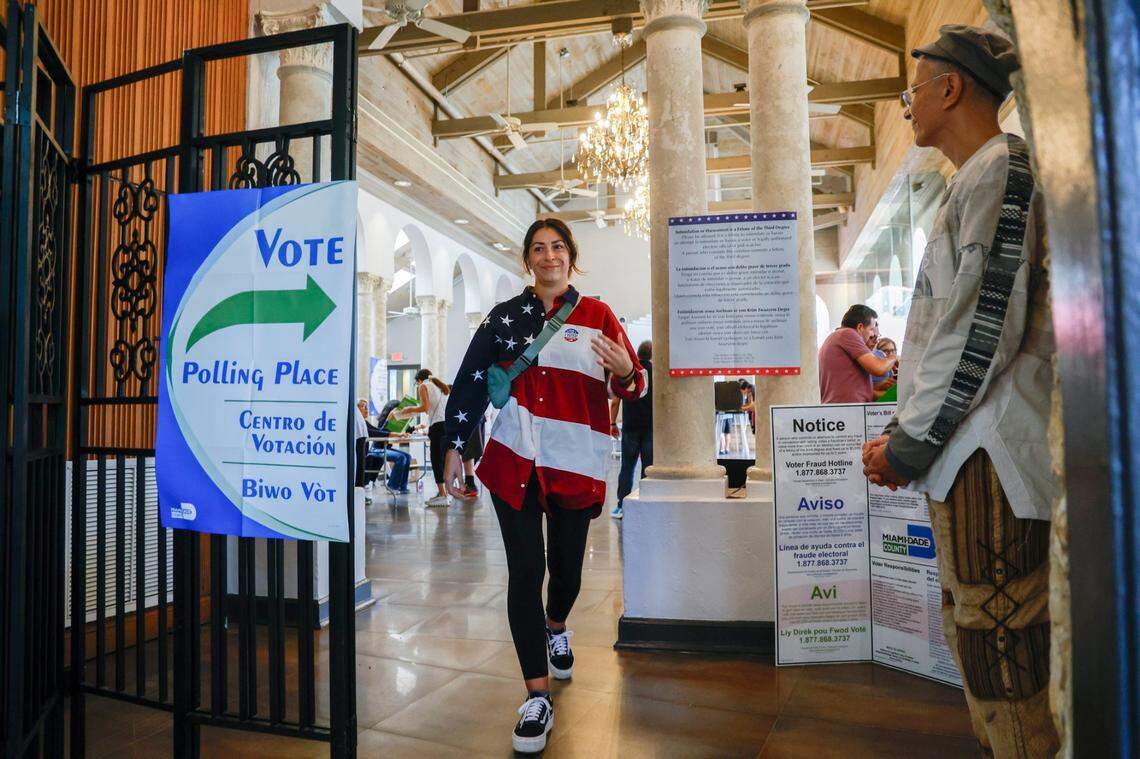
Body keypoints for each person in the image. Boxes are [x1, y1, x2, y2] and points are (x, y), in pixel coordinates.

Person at [861, 25, 1058, 758]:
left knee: (1003, 641)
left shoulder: (1004, 167)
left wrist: (911, 440)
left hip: (994, 455)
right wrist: (909, 432)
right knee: (979, 636)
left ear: (950, 86)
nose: (908, 104)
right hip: (968, 452)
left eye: (914, 88)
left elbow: (982, 325)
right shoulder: (972, 178)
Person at [440, 218, 646, 754]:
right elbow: (468, 382)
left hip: (575, 461)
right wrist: (456, 447)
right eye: (539, 248)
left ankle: (557, 625)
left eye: (558, 247)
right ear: (527, 259)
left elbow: (634, 384)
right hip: (515, 461)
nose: (549, 255)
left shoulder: (599, 316)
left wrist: (627, 370)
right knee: (525, 571)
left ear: (570, 256)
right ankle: (536, 695)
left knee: (568, 572)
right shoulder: (505, 318)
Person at [818, 304, 898, 403]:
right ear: (860, 327)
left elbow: (851, 391)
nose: (873, 334)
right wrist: (893, 357)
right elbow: (878, 368)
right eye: (871, 329)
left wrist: (879, 387)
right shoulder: (847, 334)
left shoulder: (837, 337)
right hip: (846, 412)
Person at [393, 368, 450, 507]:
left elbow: (425, 407)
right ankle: (444, 493)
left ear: (418, 380)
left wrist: (409, 410)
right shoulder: (440, 386)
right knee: (442, 460)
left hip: (437, 427)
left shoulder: (423, 386)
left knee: (436, 461)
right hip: (446, 426)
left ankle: (442, 495)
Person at [610, 340, 653, 519]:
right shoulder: (656, 372)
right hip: (650, 427)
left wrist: (612, 423)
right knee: (648, 468)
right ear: (651, 355)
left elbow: (616, 401)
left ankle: (621, 505)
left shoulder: (629, 371)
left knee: (627, 467)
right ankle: (646, 502)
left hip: (630, 427)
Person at [359, 398, 413, 495]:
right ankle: (392, 486)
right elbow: (379, 433)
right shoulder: (382, 420)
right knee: (401, 458)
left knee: (408, 457)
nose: (366, 409)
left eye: (367, 407)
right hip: (377, 449)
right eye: (363, 407)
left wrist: (400, 434)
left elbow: (381, 433)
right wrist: (388, 420)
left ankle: (402, 487)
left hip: (384, 448)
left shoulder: (364, 422)